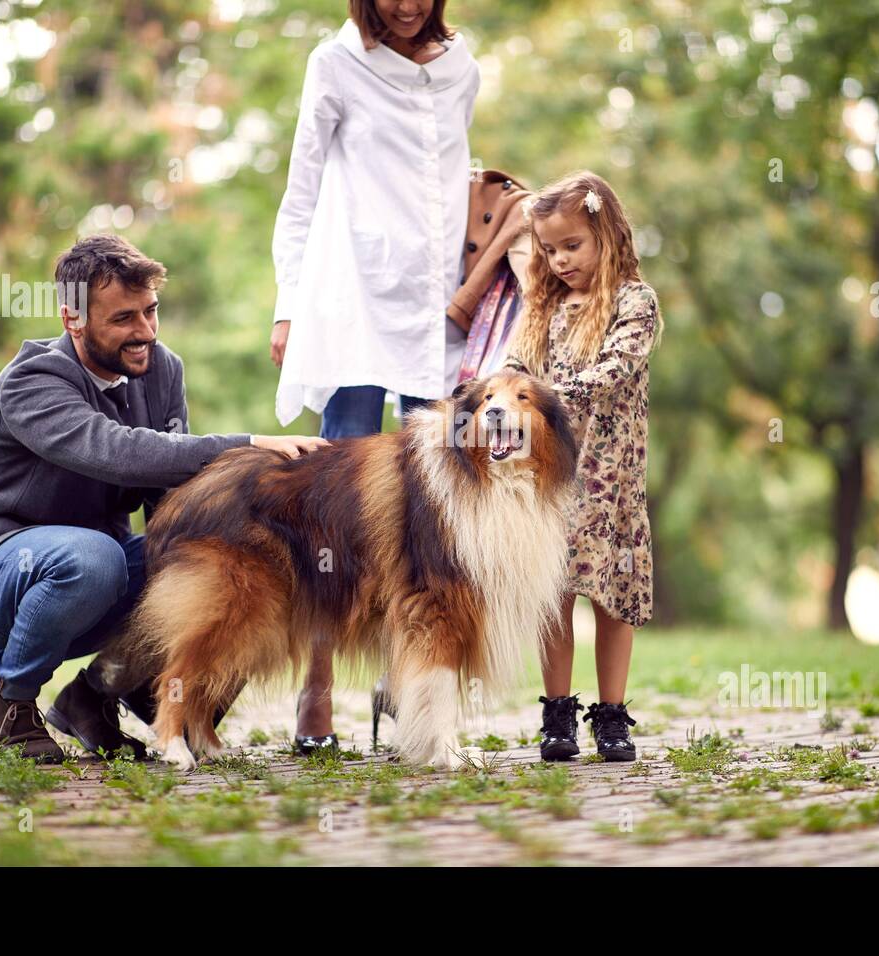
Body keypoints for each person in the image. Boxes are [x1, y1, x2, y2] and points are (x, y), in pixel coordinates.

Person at [0, 234, 327, 762]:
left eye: (151, 311)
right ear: (73, 320)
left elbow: (169, 495)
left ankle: (96, 695)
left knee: (239, 569)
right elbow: (119, 451)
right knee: (95, 557)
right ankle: (8, 698)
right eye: (123, 319)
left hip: (95, 580)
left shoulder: (162, 370)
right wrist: (247, 445)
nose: (145, 333)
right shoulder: (31, 380)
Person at [266, 0, 480, 753]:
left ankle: (413, 691)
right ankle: (316, 691)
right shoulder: (335, 64)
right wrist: (289, 307)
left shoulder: (462, 68)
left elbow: (458, 183)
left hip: (435, 311)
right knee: (336, 505)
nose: (406, 4)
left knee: (437, 510)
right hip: (351, 297)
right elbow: (301, 192)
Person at [502, 171, 663, 762]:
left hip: (611, 479)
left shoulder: (633, 302)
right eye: (549, 249)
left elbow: (614, 373)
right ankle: (558, 714)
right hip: (553, 478)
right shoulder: (541, 305)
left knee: (614, 594)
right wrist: (499, 394)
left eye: (573, 245)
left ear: (607, 232)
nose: (560, 259)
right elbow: (515, 372)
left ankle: (613, 715)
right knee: (555, 593)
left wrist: (538, 398)